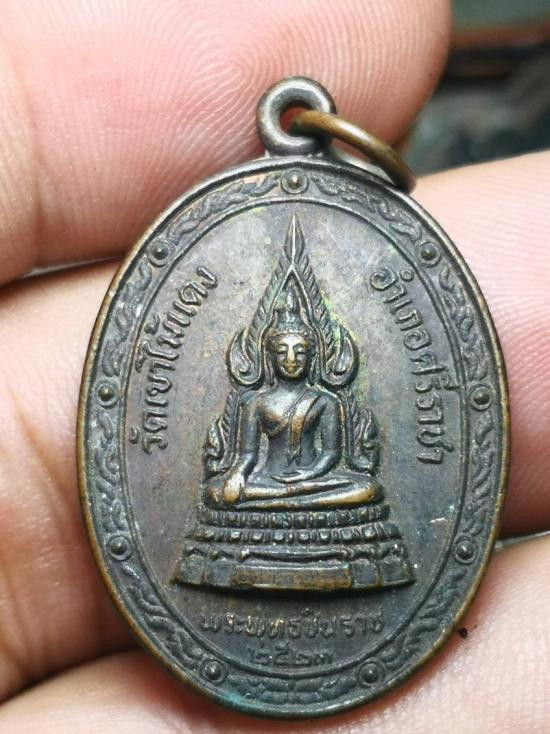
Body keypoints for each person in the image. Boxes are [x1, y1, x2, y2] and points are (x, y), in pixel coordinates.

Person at [0, 0, 547, 731]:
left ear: (315, 351)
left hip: (324, 499)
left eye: (299, 349)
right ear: (265, 352)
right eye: (281, 348)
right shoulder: (255, 404)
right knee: (227, 498)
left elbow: (342, 471)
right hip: (264, 502)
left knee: (358, 491)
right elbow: (248, 468)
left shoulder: (328, 403)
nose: (290, 354)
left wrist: (306, 485)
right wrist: (235, 481)